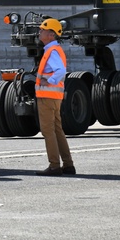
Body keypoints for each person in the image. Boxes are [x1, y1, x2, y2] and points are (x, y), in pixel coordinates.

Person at [35, 17, 76, 176]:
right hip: (54, 97)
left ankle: (54, 165)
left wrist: (49, 81)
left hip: (47, 97)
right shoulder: (53, 50)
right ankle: (68, 165)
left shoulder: (52, 51)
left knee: (48, 131)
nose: (40, 32)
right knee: (57, 130)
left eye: (43, 30)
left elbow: (60, 71)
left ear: (51, 34)